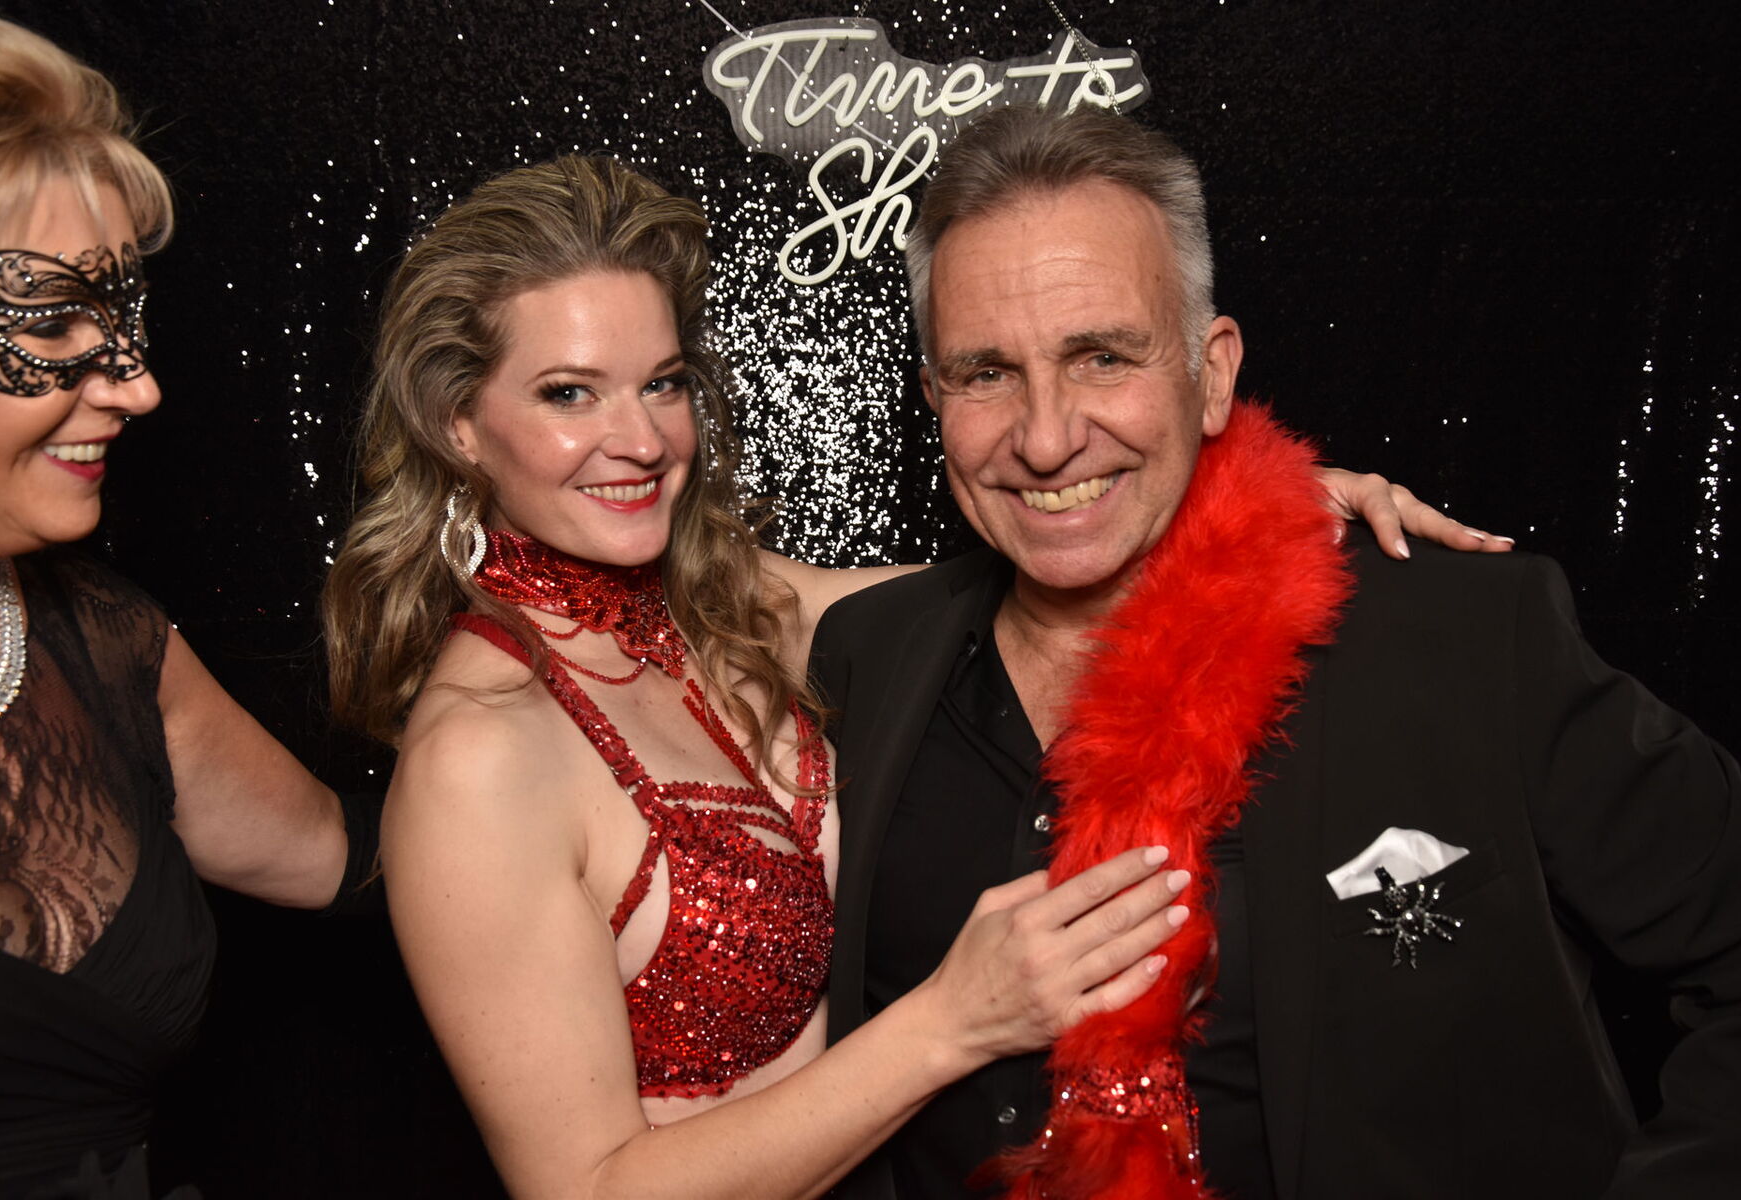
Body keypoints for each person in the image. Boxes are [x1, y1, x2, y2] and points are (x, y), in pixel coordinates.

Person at [318, 148, 1497, 1198]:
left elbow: (1040, 553)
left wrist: (1256, 503)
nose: (640, 440)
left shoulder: (715, 607)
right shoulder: (480, 754)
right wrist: (953, 1021)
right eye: (569, 393)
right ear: (458, 422)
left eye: (664, 383)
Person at [811, 104, 1741, 1200]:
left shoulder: (1459, 635)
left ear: (1212, 373)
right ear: (934, 398)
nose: (1045, 437)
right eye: (986, 373)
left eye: (1103, 357)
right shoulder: (864, 663)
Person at [0, 16, 370, 1198]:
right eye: (55, 323)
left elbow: (352, 858)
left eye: (124, 320)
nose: (138, 385)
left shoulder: (102, 643)